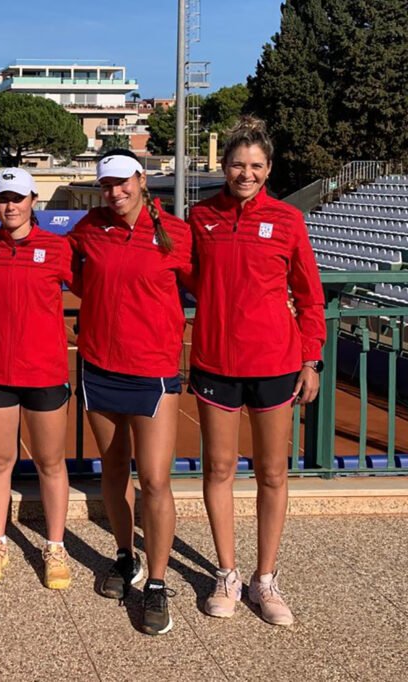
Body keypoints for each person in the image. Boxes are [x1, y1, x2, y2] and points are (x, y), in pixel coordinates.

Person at [188, 116, 325, 626]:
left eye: (256, 166)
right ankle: (226, 572)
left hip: (275, 364)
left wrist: (310, 358)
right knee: (218, 469)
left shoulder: (288, 221)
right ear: (224, 166)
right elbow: (187, 277)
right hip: (216, 363)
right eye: (238, 165)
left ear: (268, 170)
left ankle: (265, 580)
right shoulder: (201, 217)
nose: (246, 174)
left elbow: (311, 296)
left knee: (271, 473)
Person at [68, 149, 194, 635]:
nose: (115, 193)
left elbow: (204, 283)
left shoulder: (175, 233)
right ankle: (126, 556)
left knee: (156, 480)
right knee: (114, 469)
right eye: (106, 185)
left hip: (154, 372)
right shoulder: (88, 227)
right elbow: (77, 276)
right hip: (99, 366)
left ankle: (158, 583)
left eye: (123, 183)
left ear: (141, 180)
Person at [0, 168, 73, 590]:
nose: (10, 206)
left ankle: (55, 546)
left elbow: (95, 288)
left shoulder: (57, 248)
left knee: (50, 462)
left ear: (33, 200)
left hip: (45, 372)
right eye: (3, 198)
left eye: (18, 198)